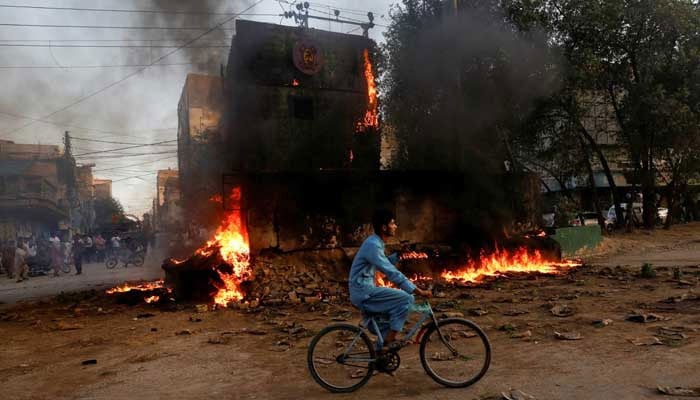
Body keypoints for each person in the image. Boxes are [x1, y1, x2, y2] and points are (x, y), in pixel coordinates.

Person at [348, 209, 432, 351]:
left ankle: (383, 346)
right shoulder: (373, 245)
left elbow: (382, 264)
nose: (395, 226)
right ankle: (389, 341)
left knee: (394, 309)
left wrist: (399, 254)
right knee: (406, 298)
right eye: (393, 223)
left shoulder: (375, 243)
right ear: (384, 227)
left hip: (364, 290)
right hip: (364, 292)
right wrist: (417, 290)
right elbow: (391, 272)